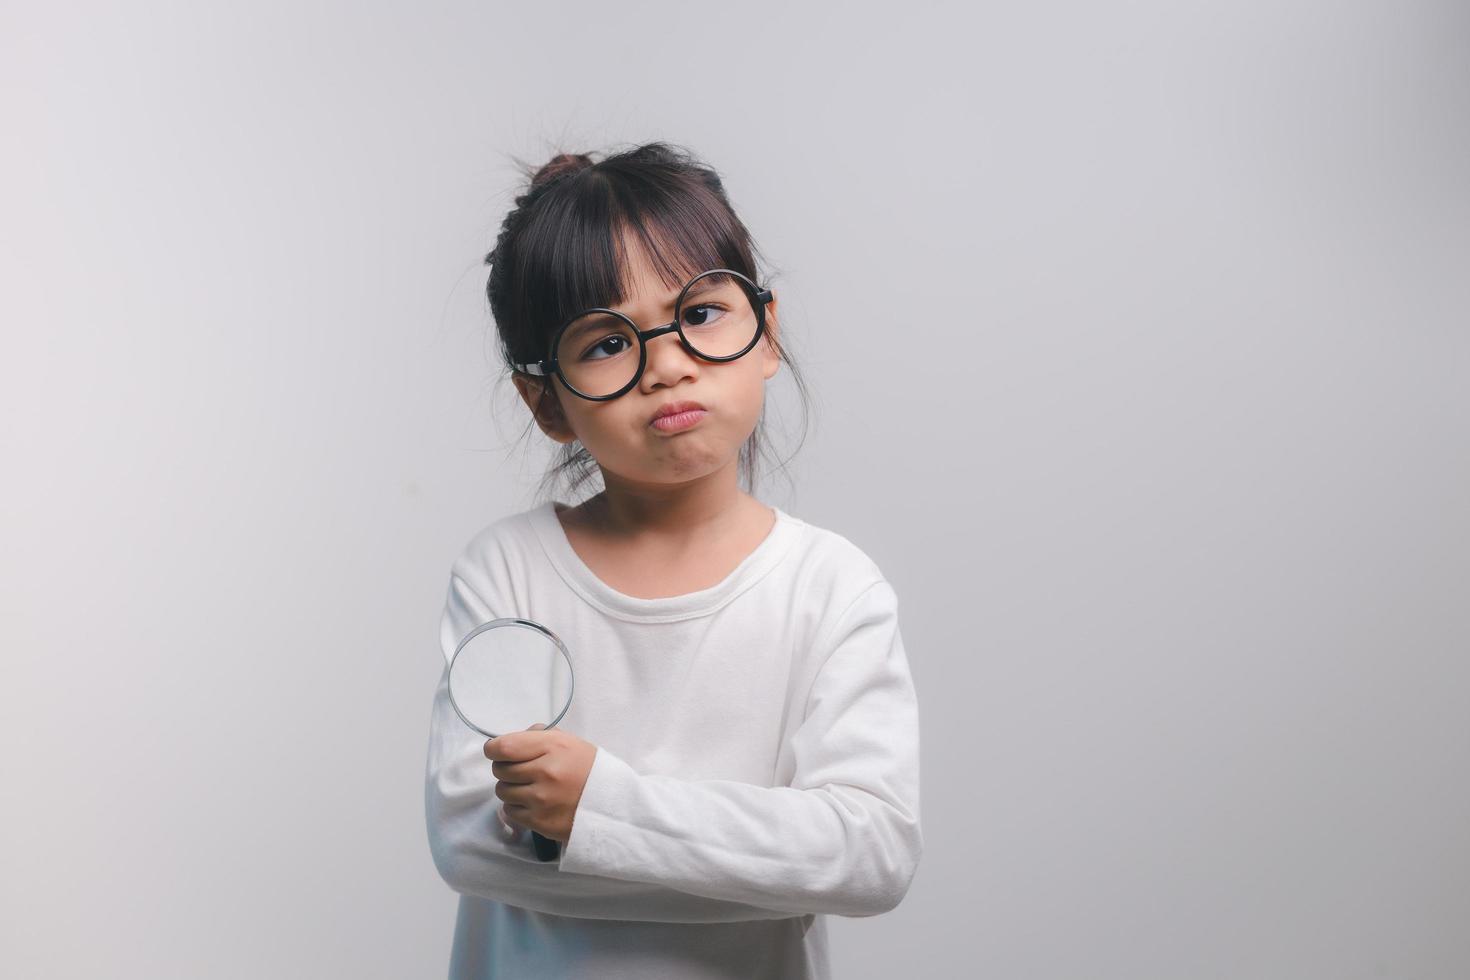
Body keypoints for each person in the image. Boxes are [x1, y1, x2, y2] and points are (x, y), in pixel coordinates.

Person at [424, 141, 923, 979]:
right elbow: (470, 843)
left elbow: (870, 854)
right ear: (546, 401)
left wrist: (598, 813)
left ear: (765, 333)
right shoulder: (509, 571)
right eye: (606, 342)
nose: (666, 366)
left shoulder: (830, 588)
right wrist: (762, 858)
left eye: (699, 313)